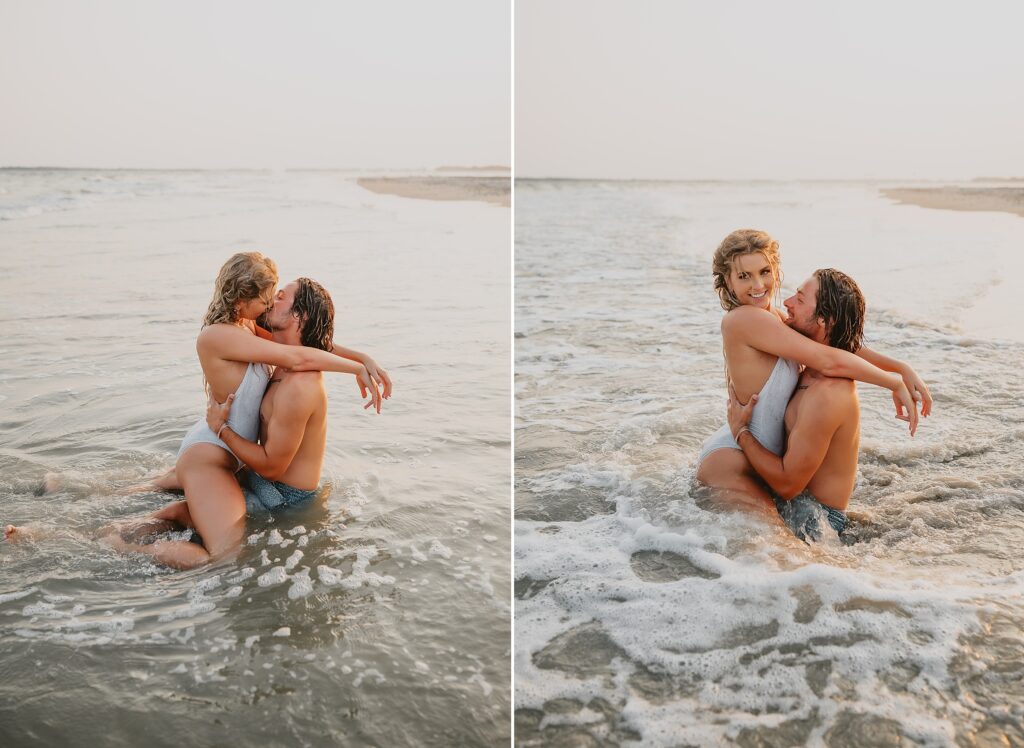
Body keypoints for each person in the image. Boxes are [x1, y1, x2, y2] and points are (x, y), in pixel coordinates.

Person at [100, 253, 390, 568]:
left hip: (232, 456)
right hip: (216, 452)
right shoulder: (225, 335)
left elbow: (311, 346)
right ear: (242, 299)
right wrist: (355, 369)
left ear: (298, 316)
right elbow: (299, 356)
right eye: (268, 298)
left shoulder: (250, 329)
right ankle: (115, 544)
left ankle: (99, 516)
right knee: (222, 558)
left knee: (173, 505)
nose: (269, 305)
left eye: (278, 298)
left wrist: (363, 360)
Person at [694, 230, 930, 519]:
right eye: (744, 276)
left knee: (779, 556)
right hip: (731, 460)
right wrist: (889, 380)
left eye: (764, 272)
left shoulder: (775, 320)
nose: (758, 285)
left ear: (776, 270)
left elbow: (833, 345)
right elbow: (826, 360)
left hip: (754, 460)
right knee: (775, 555)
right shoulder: (744, 319)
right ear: (727, 282)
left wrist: (899, 367)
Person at [727, 269, 870, 542]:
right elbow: (852, 350)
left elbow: (788, 484)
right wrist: (900, 373)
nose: (788, 302)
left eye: (801, 300)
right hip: (798, 503)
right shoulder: (811, 360)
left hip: (816, 519)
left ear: (824, 320)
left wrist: (740, 432)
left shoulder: (829, 394)